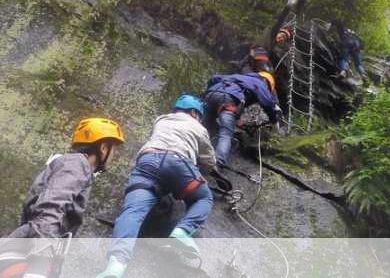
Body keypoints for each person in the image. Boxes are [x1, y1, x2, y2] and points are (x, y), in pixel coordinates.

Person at [96, 95, 215, 278]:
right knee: (203, 198)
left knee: (132, 211)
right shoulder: (198, 127)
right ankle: (182, 231)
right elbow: (209, 161)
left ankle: (115, 266)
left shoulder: (161, 120)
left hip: (147, 163)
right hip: (177, 162)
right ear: (194, 113)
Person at [5, 118, 124, 278]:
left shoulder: (73, 165)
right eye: (114, 149)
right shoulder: (76, 164)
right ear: (103, 148)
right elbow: (51, 206)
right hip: (33, 256)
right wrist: (42, 256)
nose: (113, 156)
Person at [203, 72, 280, 166]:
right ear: (267, 83)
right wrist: (274, 121)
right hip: (227, 99)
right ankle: (218, 161)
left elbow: (213, 78)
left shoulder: (237, 77)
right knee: (226, 133)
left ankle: (200, 156)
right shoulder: (260, 82)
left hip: (210, 94)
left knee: (205, 127)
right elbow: (267, 102)